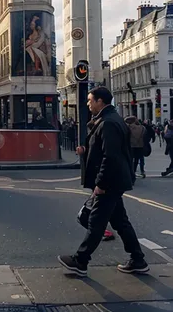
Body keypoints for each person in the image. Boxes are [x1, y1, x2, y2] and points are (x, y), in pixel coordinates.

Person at [58, 86, 148, 277]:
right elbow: (106, 150)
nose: (88, 103)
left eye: (91, 100)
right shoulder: (109, 120)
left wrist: (101, 184)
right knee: (120, 222)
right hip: (115, 180)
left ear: (100, 101)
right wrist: (86, 151)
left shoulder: (107, 123)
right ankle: (138, 259)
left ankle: (80, 261)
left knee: (96, 223)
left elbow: (111, 156)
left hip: (109, 182)